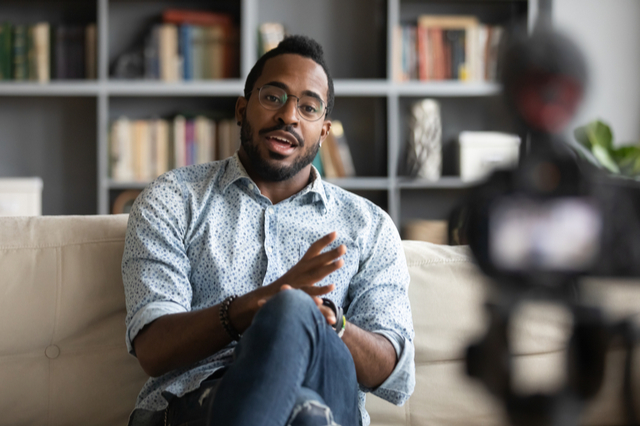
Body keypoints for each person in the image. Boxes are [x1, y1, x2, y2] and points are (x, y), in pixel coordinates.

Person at [123, 35, 415, 426]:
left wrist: (328, 322)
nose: (289, 116)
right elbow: (153, 349)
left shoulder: (369, 226)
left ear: (324, 131)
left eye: (308, 107)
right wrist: (256, 305)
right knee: (307, 413)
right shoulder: (175, 199)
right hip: (198, 404)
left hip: (331, 393)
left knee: (298, 315)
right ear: (242, 109)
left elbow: (392, 373)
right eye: (274, 97)